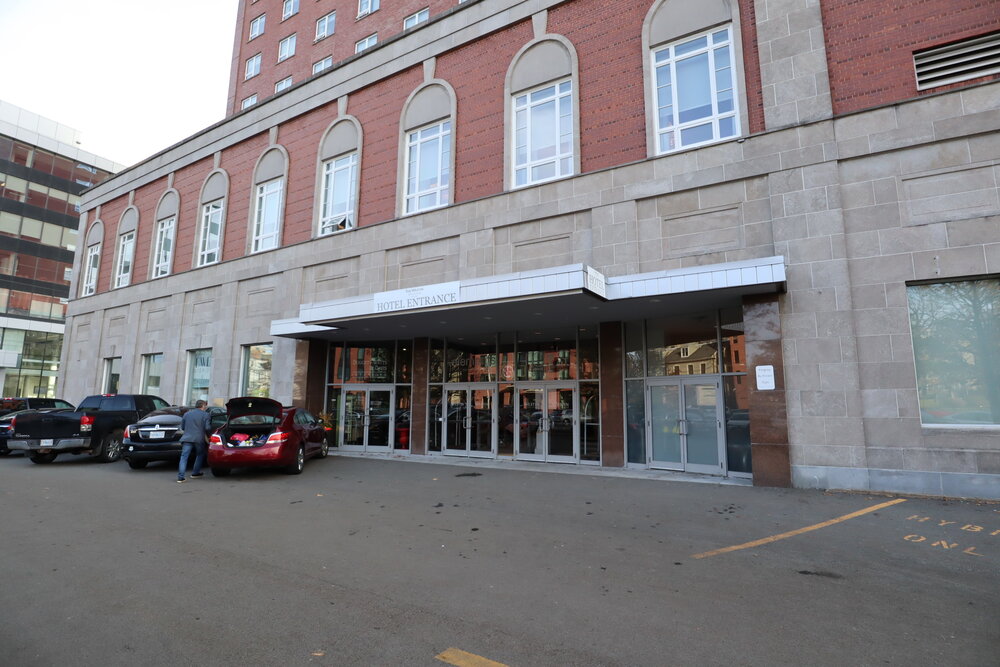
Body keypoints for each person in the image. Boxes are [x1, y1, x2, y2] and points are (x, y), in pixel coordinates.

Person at [177, 400, 212, 483]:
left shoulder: (187, 414)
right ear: (203, 406)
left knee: (184, 457)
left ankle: (180, 477)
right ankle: (195, 473)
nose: (206, 407)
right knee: (200, 454)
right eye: (205, 406)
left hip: (187, 438)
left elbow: (182, 427)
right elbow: (207, 428)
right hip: (199, 439)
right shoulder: (206, 415)